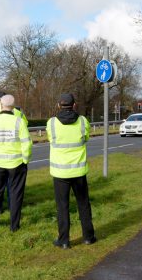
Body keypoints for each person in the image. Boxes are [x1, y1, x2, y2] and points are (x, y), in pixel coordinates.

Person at [46, 93, 96, 249]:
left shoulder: (51, 123)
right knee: (83, 204)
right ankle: (88, 237)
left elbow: (50, 139)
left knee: (62, 206)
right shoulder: (83, 121)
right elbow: (86, 138)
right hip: (79, 171)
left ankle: (64, 240)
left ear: (58, 106)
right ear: (74, 105)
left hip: (60, 173)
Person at [0, 94, 32, 232]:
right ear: (13, 106)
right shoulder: (19, 121)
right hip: (16, 163)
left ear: (1, 105)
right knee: (16, 194)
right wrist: (25, 159)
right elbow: (26, 143)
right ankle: (14, 226)